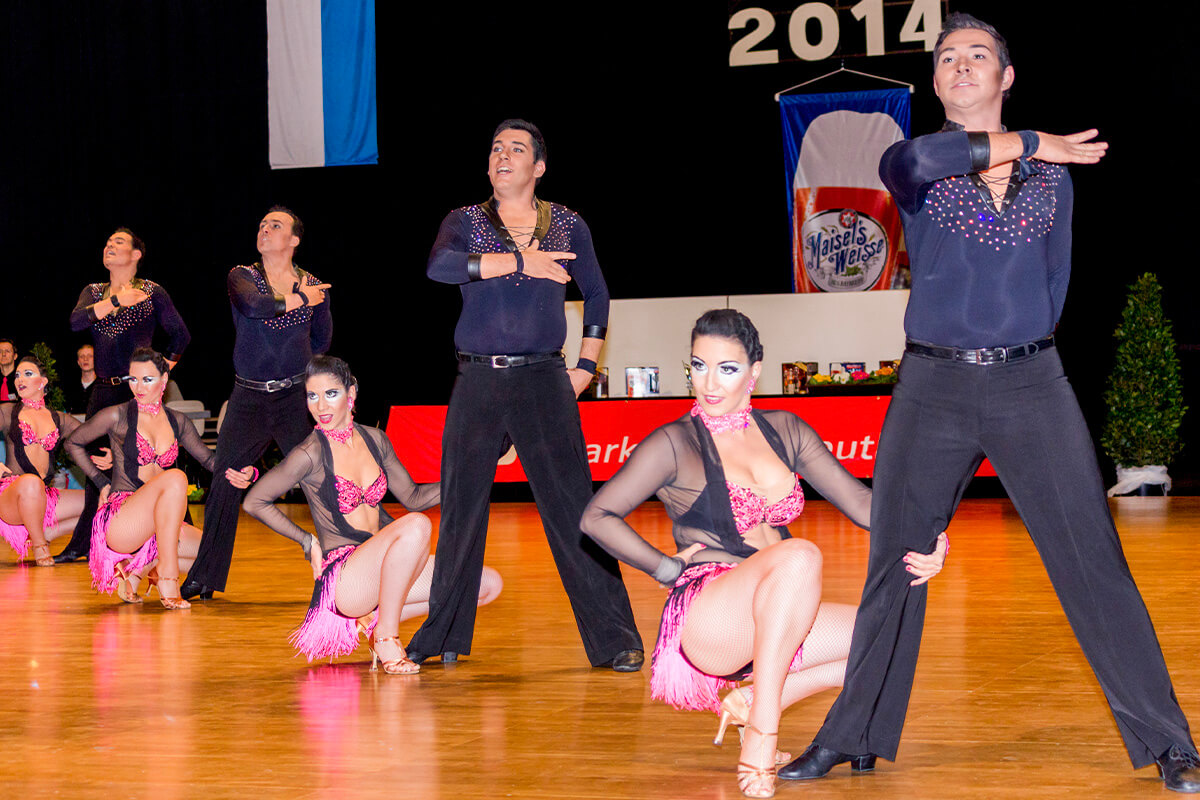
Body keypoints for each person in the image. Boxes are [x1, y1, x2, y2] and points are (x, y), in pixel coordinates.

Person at [780, 13, 1200, 794]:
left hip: (1030, 385)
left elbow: (1055, 280)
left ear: (1006, 78)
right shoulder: (915, 164)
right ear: (937, 82)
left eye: (979, 55)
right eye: (948, 58)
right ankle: (853, 734)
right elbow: (928, 156)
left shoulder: (1051, 179)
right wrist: (1035, 138)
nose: (962, 65)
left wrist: (1021, 346)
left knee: (1095, 564)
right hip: (932, 388)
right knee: (896, 563)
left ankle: (1168, 742)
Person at [580, 310, 947, 798]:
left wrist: (929, 535)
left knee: (887, 639)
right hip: (713, 618)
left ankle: (751, 701)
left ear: (754, 371)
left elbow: (863, 504)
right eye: (698, 366)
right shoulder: (675, 443)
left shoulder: (785, 430)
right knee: (801, 555)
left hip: (778, 613)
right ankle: (761, 735)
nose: (709, 383)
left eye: (727, 369)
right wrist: (666, 568)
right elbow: (596, 516)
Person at [406, 119, 643, 671]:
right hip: (478, 380)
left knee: (575, 510)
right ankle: (443, 635)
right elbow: (439, 268)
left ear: (538, 167)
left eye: (516, 148)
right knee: (461, 508)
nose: (503, 155)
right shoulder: (464, 220)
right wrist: (519, 261)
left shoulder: (567, 223)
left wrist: (586, 366)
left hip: (543, 380)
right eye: (496, 148)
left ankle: (615, 639)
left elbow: (598, 294)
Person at [243, 356, 501, 671]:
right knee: (416, 526)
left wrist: (469, 475)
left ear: (351, 393)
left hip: (383, 569)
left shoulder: (375, 440)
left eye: (331, 394)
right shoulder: (309, 453)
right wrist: (307, 542)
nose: (321, 406)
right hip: (347, 581)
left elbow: (414, 497)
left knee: (487, 583)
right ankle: (386, 637)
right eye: (312, 396)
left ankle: (370, 620)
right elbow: (255, 501)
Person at [180, 206, 332, 601]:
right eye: (262, 224)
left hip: (293, 398)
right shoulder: (243, 276)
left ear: (294, 240)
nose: (265, 229)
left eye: (275, 225)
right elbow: (253, 306)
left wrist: (302, 372)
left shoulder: (314, 284)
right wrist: (300, 299)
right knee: (225, 481)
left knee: (319, 479)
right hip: (248, 397)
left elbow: (322, 340)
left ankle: (341, 565)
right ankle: (204, 576)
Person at [64, 349, 246, 608]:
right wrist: (100, 481)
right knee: (176, 478)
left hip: (159, 524)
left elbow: (210, 461)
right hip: (123, 520)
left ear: (164, 379)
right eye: (133, 379)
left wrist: (245, 470)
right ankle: (168, 580)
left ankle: (137, 571)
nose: (138, 387)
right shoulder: (117, 415)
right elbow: (72, 442)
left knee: (212, 553)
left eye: (147, 379)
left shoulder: (178, 421)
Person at [55, 228, 191, 563]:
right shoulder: (94, 292)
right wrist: (115, 300)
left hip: (137, 392)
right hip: (103, 391)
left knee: (153, 464)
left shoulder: (151, 292)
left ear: (136, 254)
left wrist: (158, 375)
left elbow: (180, 335)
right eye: (107, 243)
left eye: (118, 243)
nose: (109, 246)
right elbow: (75, 322)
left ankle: (177, 536)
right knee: (95, 469)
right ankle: (85, 543)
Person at [0, 356, 94, 565]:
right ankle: (40, 545)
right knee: (31, 482)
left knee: (97, 503)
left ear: (43, 382)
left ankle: (49, 532)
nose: (20, 379)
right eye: (17, 375)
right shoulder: (7, 412)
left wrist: (111, 453)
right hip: (11, 499)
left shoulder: (59, 419)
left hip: (44, 497)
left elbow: (93, 438)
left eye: (28, 374)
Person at [64, 344, 97, 415]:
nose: (85, 359)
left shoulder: (102, 387)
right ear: (78, 362)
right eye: (82, 356)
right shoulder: (70, 387)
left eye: (90, 356)